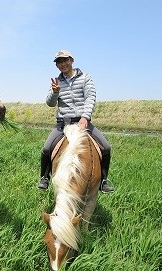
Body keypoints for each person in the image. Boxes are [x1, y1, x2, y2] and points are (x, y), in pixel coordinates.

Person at [37, 49, 114, 193]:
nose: (62, 64)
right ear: (57, 65)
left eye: (65, 60)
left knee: (106, 147)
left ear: (71, 60)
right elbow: (50, 103)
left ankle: (103, 180)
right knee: (47, 148)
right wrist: (55, 92)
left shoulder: (85, 78)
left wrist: (85, 117)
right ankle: (44, 178)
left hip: (82, 122)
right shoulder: (56, 82)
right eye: (59, 62)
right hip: (63, 124)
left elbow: (90, 97)